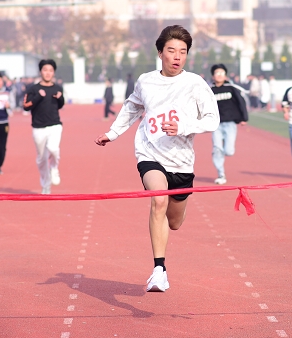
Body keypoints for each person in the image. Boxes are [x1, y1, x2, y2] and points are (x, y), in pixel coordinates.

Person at [94, 25, 220, 292]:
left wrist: (183, 127)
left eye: (183, 51)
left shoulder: (195, 84)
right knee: (158, 199)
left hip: (181, 161)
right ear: (160, 53)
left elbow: (212, 120)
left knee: (174, 222)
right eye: (171, 50)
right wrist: (113, 133)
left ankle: (173, 218)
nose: (177, 56)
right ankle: (159, 270)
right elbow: (132, 107)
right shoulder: (146, 81)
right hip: (149, 153)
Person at [23, 59, 65, 194]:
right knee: (41, 158)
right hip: (38, 127)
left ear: (54, 73)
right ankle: (46, 185)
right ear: (40, 72)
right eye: (45, 70)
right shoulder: (33, 89)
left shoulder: (58, 88)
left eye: (50, 70)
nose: (48, 73)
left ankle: (54, 168)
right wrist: (38, 97)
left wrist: (60, 98)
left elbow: (61, 105)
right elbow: (26, 106)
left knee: (53, 148)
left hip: (55, 125)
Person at [210, 63, 248, 185]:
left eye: (222, 73)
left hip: (230, 124)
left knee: (229, 151)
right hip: (216, 125)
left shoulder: (231, 88)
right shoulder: (210, 90)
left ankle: (224, 150)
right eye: (217, 73)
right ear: (213, 76)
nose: (219, 75)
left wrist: (244, 118)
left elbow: (241, 102)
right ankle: (221, 174)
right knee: (217, 149)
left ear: (225, 75)